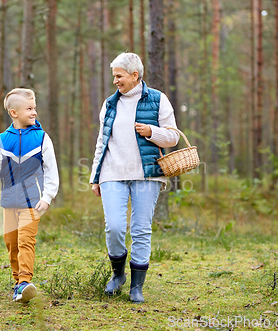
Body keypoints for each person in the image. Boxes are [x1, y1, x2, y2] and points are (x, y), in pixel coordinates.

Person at [90, 52, 179, 303]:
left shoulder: (158, 100)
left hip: (147, 174)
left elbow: (173, 137)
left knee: (141, 229)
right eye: (114, 76)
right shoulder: (109, 104)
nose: (115, 81)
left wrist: (152, 132)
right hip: (112, 173)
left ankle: (136, 287)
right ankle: (117, 275)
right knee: (115, 227)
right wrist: (95, 176)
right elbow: (101, 141)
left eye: (119, 76)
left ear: (134, 75)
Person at [0, 88, 59, 303]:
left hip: (32, 202)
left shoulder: (42, 138)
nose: (34, 112)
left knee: (26, 240)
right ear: (14, 113)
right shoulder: (3, 140)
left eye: (34, 108)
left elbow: (51, 170)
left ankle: (25, 281)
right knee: (11, 243)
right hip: (8, 202)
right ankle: (17, 284)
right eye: (29, 109)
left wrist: (47, 196)